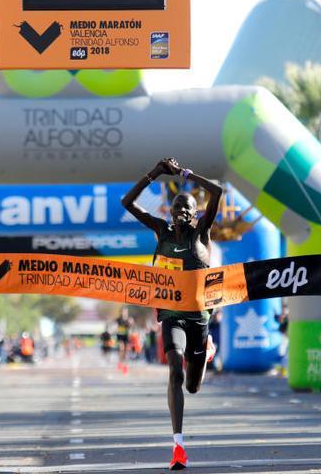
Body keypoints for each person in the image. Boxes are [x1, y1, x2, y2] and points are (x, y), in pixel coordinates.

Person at [122, 157, 222, 471]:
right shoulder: (161, 231)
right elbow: (128, 202)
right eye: (177, 206)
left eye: (187, 208)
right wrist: (154, 173)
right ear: (170, 212)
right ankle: (178, 445)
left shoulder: (201, 234)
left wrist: (186, 174)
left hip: (198, 317)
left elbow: (217, 192)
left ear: (195, 215)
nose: (180, 211)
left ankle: (203, 353)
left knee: (193, 386)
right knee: (175, 371)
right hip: (170, 314)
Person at [114, 307, 134, 373]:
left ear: (127, 312)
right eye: (123, 311)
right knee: (121, 348)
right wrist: (115, 329)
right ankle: (120, 362)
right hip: (120, 337)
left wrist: (131, 323)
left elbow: (132, 327)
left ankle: (124, 366)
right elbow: (114, 326)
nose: (124, 313)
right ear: (121, 312)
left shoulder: (129, 320)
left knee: (126, 353)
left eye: (125, 312)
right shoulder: (118, 319)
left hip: (126, 337)